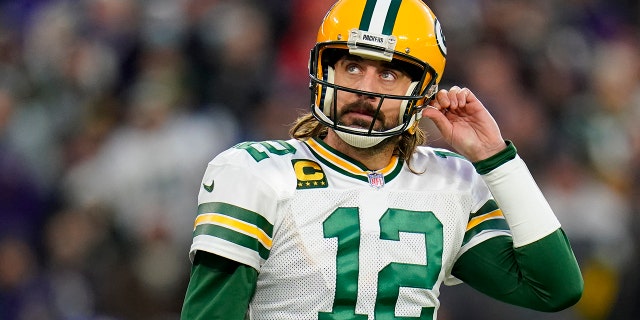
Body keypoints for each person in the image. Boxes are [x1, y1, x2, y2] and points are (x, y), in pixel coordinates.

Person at [180, 0, 584, 319]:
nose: (365, 90)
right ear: (326, 72)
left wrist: (496, 160)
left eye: (388, 75)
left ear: (422, 91)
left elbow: (555, 288)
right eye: (353, 66)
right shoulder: (257, 172)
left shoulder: (449, 181)